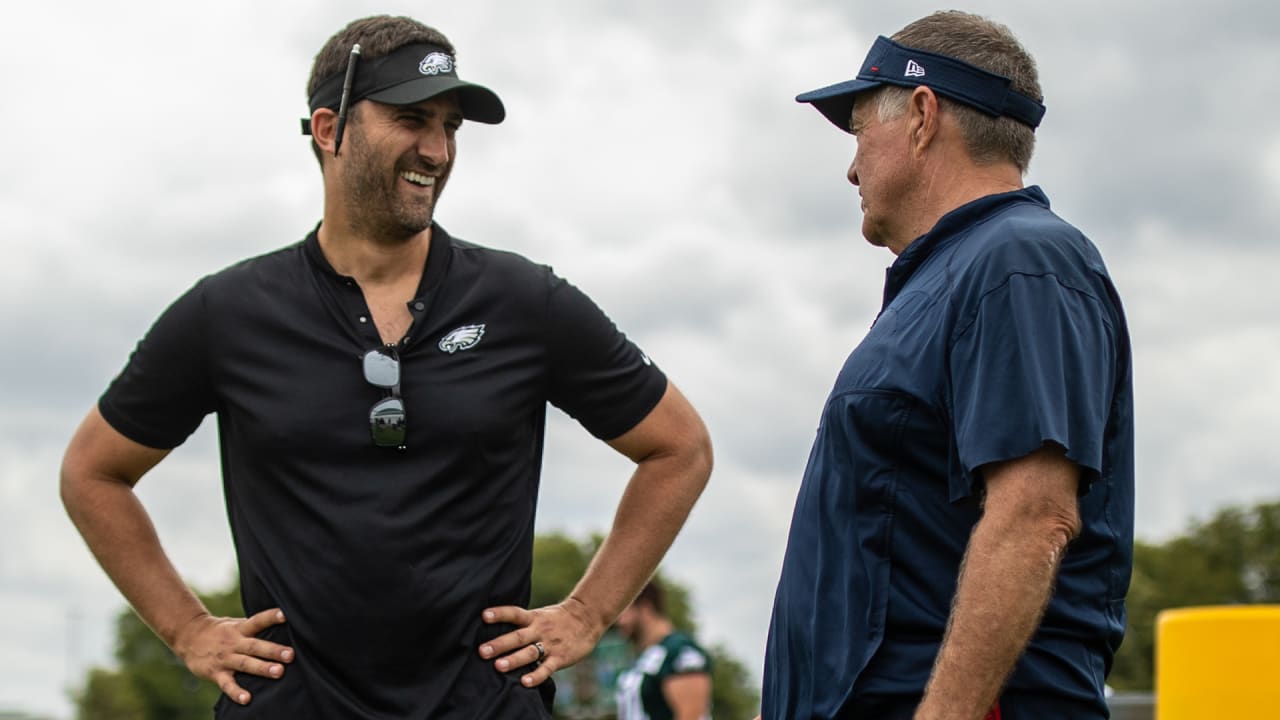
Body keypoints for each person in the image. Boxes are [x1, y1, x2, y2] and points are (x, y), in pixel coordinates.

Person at [59, 15, 712, 719]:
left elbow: (679, 448)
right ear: (328, 129)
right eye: (411, 119)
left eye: (451, 125)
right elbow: (92, 472)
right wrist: (188, 631)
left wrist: (587, 613)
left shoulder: (525, 302)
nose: (435, 150)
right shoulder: (229, 314)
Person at [760, 11, 1134, 720]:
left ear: (923, 115)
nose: (850, 166)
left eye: (861, 127)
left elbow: (1034, 515)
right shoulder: (951, 277)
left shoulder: (1021, 259)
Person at [614, 580, 713, 720]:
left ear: (645, 607)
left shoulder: (679, 650)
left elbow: (691, 715)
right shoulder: (644, 657)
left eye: (624, 611)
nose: (619, 620)